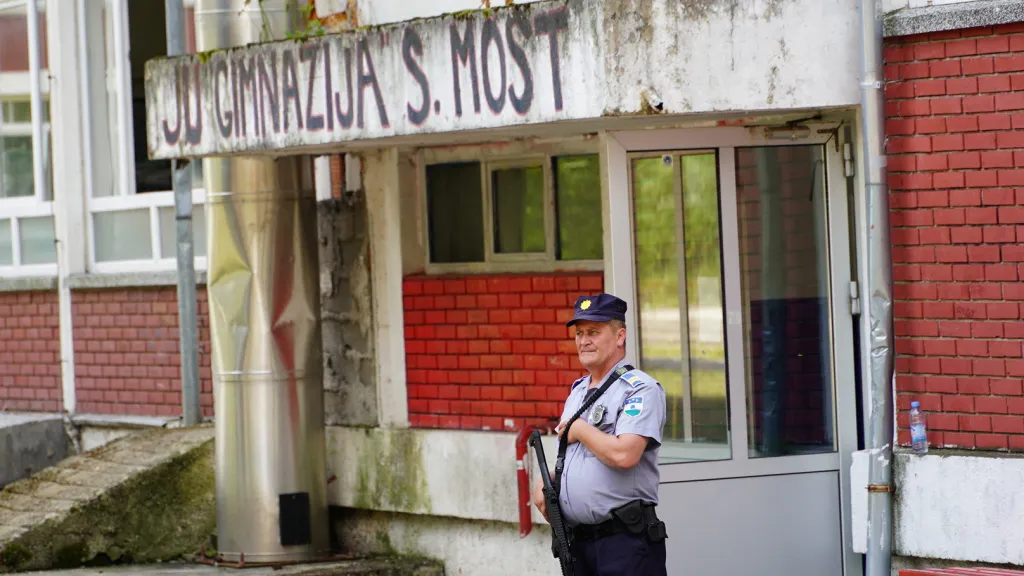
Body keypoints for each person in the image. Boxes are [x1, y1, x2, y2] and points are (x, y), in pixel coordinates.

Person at [533, 293, 668, 576]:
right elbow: (575, 456)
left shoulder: (639, 389)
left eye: (594, 332)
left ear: (620, 336)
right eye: (579, 333)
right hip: (579, 543)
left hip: (624, 543)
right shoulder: (578, 391)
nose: (584, 341)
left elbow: (624, 454)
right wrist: (549, 484)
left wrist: (580, 429)